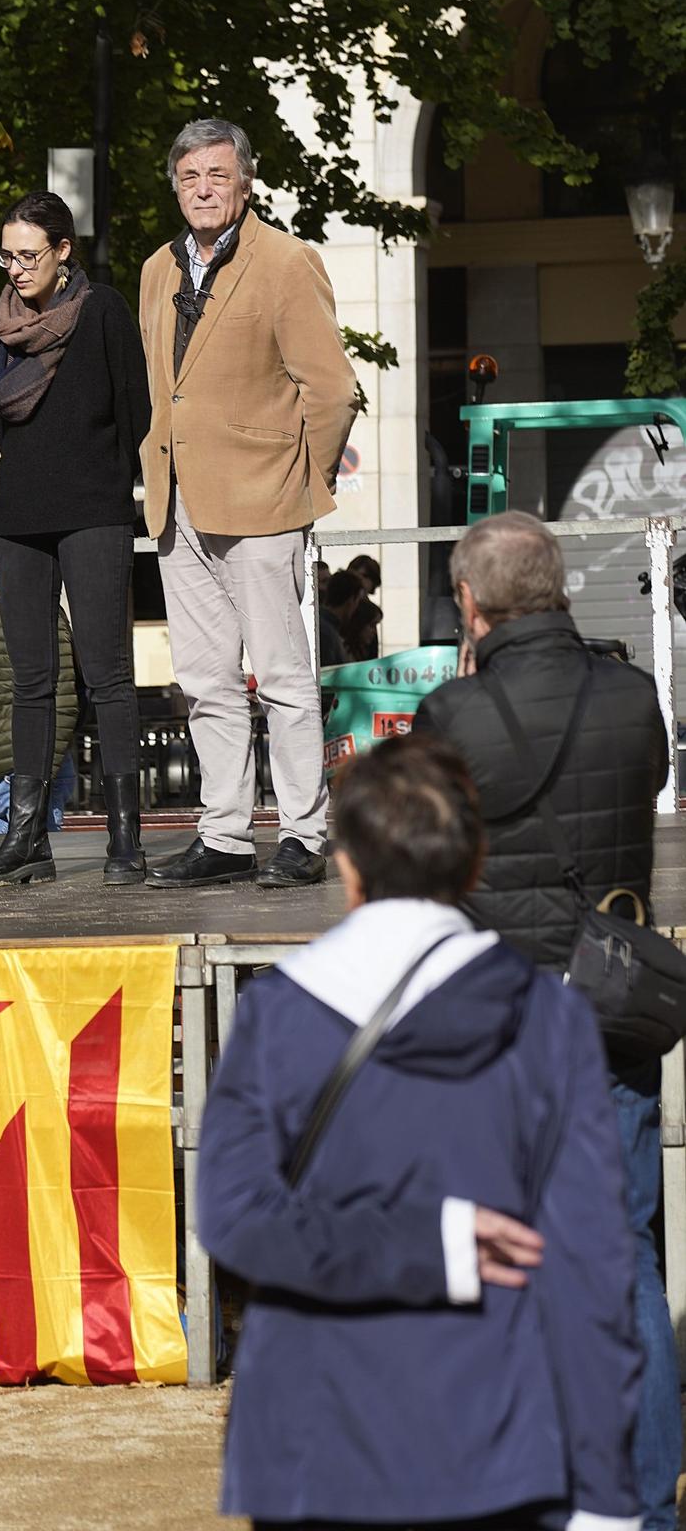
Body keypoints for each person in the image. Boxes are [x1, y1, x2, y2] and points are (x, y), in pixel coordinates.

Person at [198, 733, 641, 1530]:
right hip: (492, 1435)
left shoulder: (275, 1012)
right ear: (473, 867)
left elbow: (234, 1220)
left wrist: (421, 1243)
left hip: (310, 1442)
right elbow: (589, 1266)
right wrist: (604, 1496)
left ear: (347, 867)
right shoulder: (549, 1019)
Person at [415, 509, 679, 1531]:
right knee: (624, 1254)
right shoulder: (634, 697)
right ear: (560, 587)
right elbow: (641, 787)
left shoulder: (451, 710)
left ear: (470, 604)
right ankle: (645, 1501)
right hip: (609, 1002)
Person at [140, 118, 358, 891]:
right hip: (179, 503)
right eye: (190, 175)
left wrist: (300, 483)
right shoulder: (156, 269)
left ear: (245, 182)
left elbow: (330, 391)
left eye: (217, 175)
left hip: (265, 501)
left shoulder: (286, 261)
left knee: (284, 679)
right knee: (203, 682)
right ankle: (224, 834)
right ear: (175, 184)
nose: (202, 188)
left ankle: (304, 831)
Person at [0, 192, 151, 889]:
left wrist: (102, 478)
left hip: (94, 509)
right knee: (30, 679)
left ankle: (124, 838)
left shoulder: (100, 310)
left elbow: (135, 407)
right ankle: (25, 837)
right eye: (5, 254)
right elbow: (4, 423)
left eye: (27, 254)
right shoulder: (3, 325)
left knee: (107, 673)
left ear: (63, 251)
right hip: (18, 514)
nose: (13, 268)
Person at [0, 515, 78, 834]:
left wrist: (35, 775)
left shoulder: (34, 613)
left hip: (25, 772)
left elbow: (63, 699)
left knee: (32, 867)